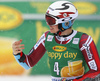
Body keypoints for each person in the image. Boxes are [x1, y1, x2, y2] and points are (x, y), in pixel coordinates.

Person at [12, 1, 100, 81]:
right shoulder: (46, 37)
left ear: (66, 22)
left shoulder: (84, 40)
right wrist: (17, 53)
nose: (48, 24)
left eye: (51, 21)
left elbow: (96, 71)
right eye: (47, 19)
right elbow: (28, 64)